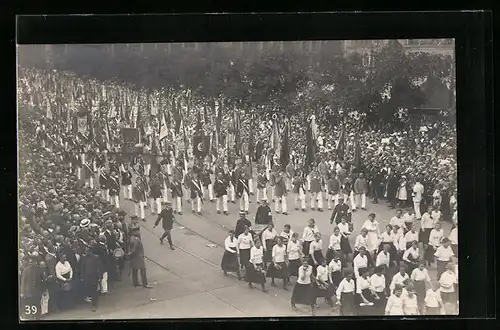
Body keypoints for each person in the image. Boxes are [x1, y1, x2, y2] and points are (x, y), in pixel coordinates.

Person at [20, 255, 44, 320]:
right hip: (29, 293)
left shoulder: (39, 269)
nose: (32, 263)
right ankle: (31, 319)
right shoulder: (26, 270)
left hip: (37, 292)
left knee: (37, 306)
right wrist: (22, 292)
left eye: (33, 261)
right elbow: (23, 282)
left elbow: (43, 280)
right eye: (31, 261)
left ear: (36, 262)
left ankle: (37, 319)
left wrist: (43, 290)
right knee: (30, 307)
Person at [79, 246, 102, 312]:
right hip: (87, 278)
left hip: (94, 277)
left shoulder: (95, 258)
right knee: (90, 292)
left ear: (90, 251)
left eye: (87, 251)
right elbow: (82, 268)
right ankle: (93, 303)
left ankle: (94, 305)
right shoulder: (84, 258)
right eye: (85, 251)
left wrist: (100, 277)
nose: (86, 252)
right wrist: (82, 276)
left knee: (94, 291)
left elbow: (99, 268)